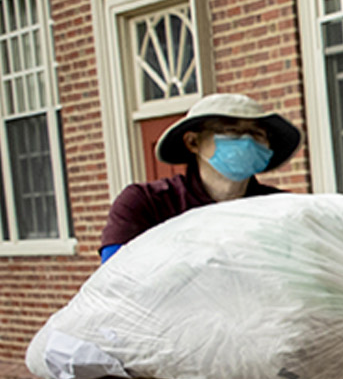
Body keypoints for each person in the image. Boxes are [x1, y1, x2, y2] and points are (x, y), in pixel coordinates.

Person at [100, 92, 300, 256]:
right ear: (193, 142)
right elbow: (115, 281)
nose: (246, 142)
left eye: (257, 134)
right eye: (231, 131)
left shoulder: (282, 210)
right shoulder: (146, 204)